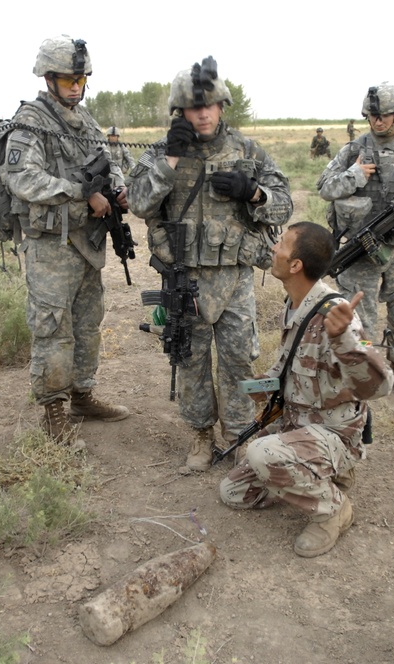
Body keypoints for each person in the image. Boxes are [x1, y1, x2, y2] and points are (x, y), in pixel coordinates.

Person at [127, 56, 292, 471]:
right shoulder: (161, 155)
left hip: (234, 278)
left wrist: (253, 193)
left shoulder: (248, 151)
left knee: (238, 357)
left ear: (222, 107)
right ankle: (201, 435)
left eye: (209, 106)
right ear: (178, 113)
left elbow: (283, 205)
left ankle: (238, 436)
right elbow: (139, 203)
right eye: (191, 108)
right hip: (186, 279)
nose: (202, 114)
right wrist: (170, 160)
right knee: (190, 358)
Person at [219, 222, 392, 556]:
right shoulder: (295, 304)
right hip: (300, 427)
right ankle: (318, 476)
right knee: (233, 492)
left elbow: (381, 385)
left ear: (296, 265)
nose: (273, 248)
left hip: (333, 434)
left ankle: (334, 509)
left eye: (281, 243)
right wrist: (258, 386)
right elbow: (292, 368)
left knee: (262, 454)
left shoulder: (335, 314)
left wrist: (344, 340)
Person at [2, 35, 130, 449]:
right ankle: (53, 411)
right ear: (48, 78)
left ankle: (82, 395)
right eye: (67, 79)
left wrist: (118, 189)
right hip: (51, 245)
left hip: (88, 243)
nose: (75, 86)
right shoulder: (31, 121)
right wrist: (80, 193)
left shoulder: (87, 121)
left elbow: (110, 165)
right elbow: (22, 178)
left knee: (88, 325)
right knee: (54, 329)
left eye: (80, 79)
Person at [317, 82, 394, 399]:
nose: (379, 121)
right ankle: (365, 373)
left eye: (385, 115)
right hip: (361, 249)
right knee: (361, 317)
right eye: (373, 115)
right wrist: (355, 175)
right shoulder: (352, 151)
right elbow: (324, 188)